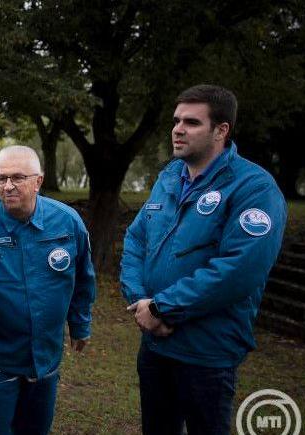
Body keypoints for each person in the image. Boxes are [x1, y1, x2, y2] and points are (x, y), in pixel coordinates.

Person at [120, 84, 287, 435]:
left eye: (192, 122)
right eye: (176, 120)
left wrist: (164, 308)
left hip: (206, 354)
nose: (178, 129)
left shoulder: (253, 188)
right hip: (154, 346)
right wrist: (140, 302)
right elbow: (137, 239)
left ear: (221, 130)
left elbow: (238, 270)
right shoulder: (169, 177)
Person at [0, 145, 96, 435]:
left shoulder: (67, 222)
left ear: (38, 181)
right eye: (1, 178)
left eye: (18, 178)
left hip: (46, 355)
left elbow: (83, 277)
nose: (8, 186)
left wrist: (80, 323)